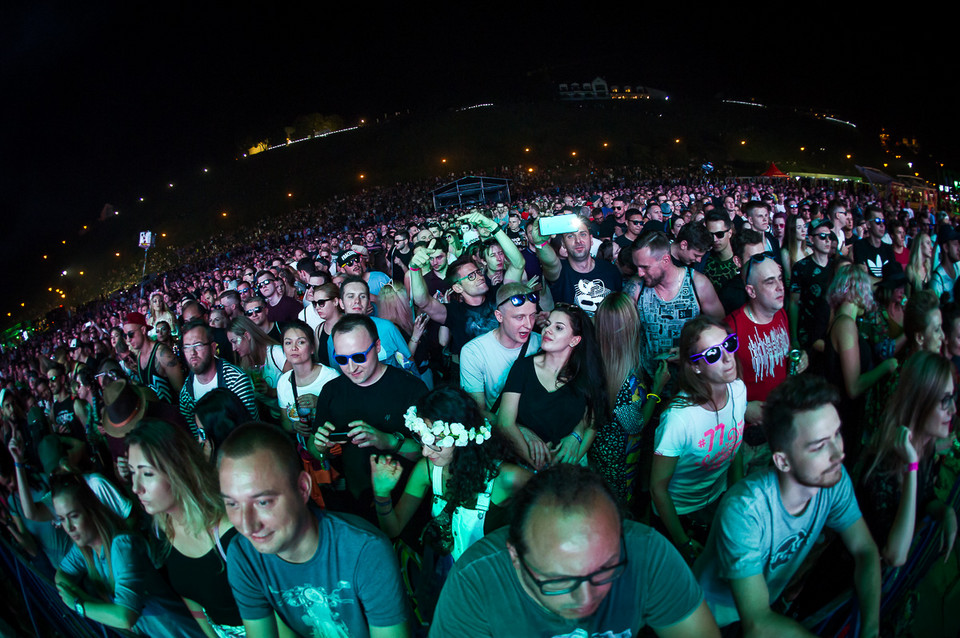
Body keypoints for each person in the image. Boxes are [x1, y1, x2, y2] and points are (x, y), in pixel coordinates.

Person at [430, 464, 720, 637]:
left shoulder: (647, 552)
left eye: (606, 570)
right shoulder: (474, 584)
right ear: (515, 557)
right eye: (558, 581)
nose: (586, 599)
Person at [694, 374, 881, 636]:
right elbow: (757, 624)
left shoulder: (832, 478)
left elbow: (865, 550)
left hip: (763, 612)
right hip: (712, 622)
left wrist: (871, 630)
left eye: (836, 434)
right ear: (782, 461)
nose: (839, 454)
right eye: (819, 446)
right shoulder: (744, 510)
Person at [218, 422, 411, 637]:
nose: (247, 525)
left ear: (303, 488)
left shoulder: (365, 550)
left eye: (263, 502)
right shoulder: (243, 554)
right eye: (233, 504)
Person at [370, 386, 531, 615]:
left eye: (434, 440)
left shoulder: (507, 478)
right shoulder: (426, 471)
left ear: (463, 436)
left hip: (494, 586)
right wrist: (382, 494)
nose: (425, 451)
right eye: (422, 439)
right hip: (450, 578)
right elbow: (392, 528)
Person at [126, 419, 246, 636]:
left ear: (179, 469)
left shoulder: (232, 533)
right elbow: (192, 600)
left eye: (147, 473)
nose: (135, 487)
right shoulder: (161, 528)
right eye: (132, 472)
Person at [52, 475, 204, 637]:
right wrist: (79, 595)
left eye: (74, 516)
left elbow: (125, 616)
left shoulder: (122, 546)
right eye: (62, 519)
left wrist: (79, 604)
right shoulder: (84, 550)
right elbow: (60, 576)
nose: (69, 527)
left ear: (92, 511)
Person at [651, 317, 747, 564]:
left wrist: (733, 501)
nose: (727, 358)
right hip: (681, 515)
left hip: (718, 500)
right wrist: (682, 542)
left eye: (729, 344)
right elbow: (658, 489)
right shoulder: (679, 419)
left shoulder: (738, 390)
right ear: (696, 366)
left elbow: (734, 451)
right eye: (713, 354)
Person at [310, 315, 429, 509]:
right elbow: (314, 446)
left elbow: (429, 454)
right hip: (354, 500)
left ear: (378, 346)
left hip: (406, 502)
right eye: (341, 359)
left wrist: (388, 441)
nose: (351, 367)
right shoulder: (331, 391)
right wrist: (321, 447)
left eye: (359, 357)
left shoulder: (410, 388)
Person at [857, 351, 957, 568]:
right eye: (945, 400)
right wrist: (911, 466)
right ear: (920, 403)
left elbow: (924, 498)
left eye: (953, 397)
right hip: (851, 584)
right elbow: (894, 555)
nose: (953, 410)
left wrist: (945, 512)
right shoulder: (882, 463)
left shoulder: (926, 446)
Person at [497, 304, 608, 469]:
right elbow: (505, 423)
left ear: (574, 340)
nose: (548, 330)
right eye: (547, 324)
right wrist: (538, 465)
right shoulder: (523, 367)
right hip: (524, 463)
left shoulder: (587, 375)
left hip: (566, 469)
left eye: (558, 328)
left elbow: (592, 425)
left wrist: (575, 448)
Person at [590, 292, 669, 508]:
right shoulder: (628, 383)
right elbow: (636, 426)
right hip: (619, 466)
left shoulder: (593, 363)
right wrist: (657, 389)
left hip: (599, 456)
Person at [824, 264, 898, 461]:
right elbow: (854, 387)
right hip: (846, 418)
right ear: (859, 290)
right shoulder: (846, 325)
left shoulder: (844, 322)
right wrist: (887, 366)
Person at [632, 231, 724, 379]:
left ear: (666, 260)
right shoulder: (637, 287)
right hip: (649, 382)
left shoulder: (697, 284)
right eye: (637, 266)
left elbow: (721, 330)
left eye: (645, 267)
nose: (640, 273)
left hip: (690, 383)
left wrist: (690, 354)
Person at [179, 320, 258, 436]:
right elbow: (196, 436)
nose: (192, 352)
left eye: (198, 345)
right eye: (187, 347)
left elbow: (249, 429)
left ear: (213, 348)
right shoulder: (186, 394)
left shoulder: (236, 380)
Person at [533, 215, 623, 315]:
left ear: (591, 239)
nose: (578, 241)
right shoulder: (560, 271)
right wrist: (540, 243)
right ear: (563, 244)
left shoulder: (611, 270)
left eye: (583, 234)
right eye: (570, 236)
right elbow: (550, 263)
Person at [276, 320, 339, 434]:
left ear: (312, 348)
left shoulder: (331, 376)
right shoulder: (283, 382)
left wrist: (320, 403)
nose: (293, 348)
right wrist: (294, 426)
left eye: (300, 342)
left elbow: (344, 414)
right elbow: (285, 420)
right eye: (288, 343)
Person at [228, 315, 287, 422]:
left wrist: (272, 392)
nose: (233, 348)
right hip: (274, 420)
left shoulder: (275, 353)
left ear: (247, 335)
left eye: (234, 341)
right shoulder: (244, 365)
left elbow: (296, 384)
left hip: (293, 419)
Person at [780, 214, 811, 285]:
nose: (803, 230)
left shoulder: (809, 250)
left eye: (804, 226)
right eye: (799, 227)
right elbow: (790, 278)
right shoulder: (785, 252)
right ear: (791, 230)